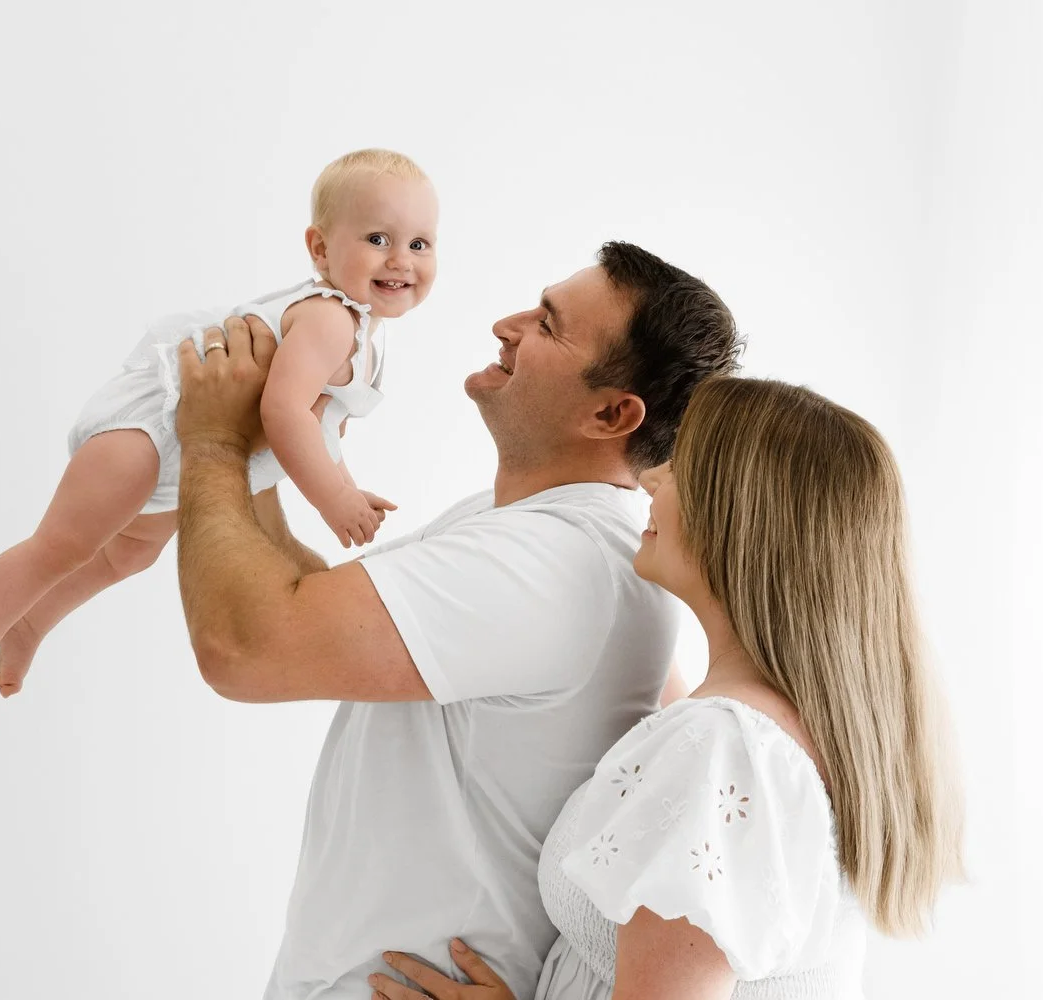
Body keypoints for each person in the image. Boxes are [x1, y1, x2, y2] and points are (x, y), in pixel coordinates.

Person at [170, 242, 743, 1000]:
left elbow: (244, 645)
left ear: (611, 413)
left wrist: (208, 440)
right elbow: (310, 603)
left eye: (546, 324)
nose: (506, 325)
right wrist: (259, 453)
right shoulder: (529, 532)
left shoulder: (552, 566)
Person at [369, 378, 966, 1000]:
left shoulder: (724, 749)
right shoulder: (799, 728)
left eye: (679, 467)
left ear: (740, 516)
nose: (650, 480)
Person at [0, 148, 438, 736]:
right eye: (378, 238)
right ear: (321, 248)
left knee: (130, 553)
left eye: (420, 244)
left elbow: (323, 426)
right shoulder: (330, 318)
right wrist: (334, 500)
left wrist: (346, 483)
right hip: (148, 438)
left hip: (185, 455)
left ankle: (28, 622)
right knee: (60, 548)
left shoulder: (364, 333)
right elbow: (283, 413)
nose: (401, 259)